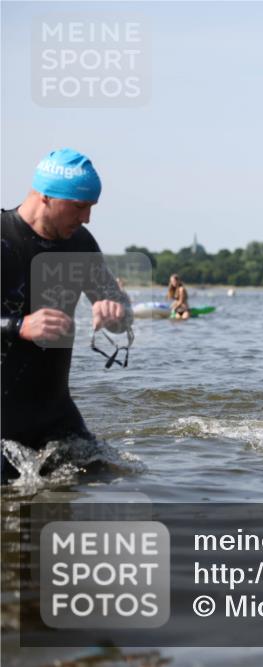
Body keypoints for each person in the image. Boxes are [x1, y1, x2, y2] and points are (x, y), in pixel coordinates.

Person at [1, 148, 132, 482]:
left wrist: (116, 310)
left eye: (90, 208)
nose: (86, 218)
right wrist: (19, 326)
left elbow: (119, 310)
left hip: (55, 417)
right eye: (79, 207)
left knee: (115, 479)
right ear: (46, 196)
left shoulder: (80, 244)